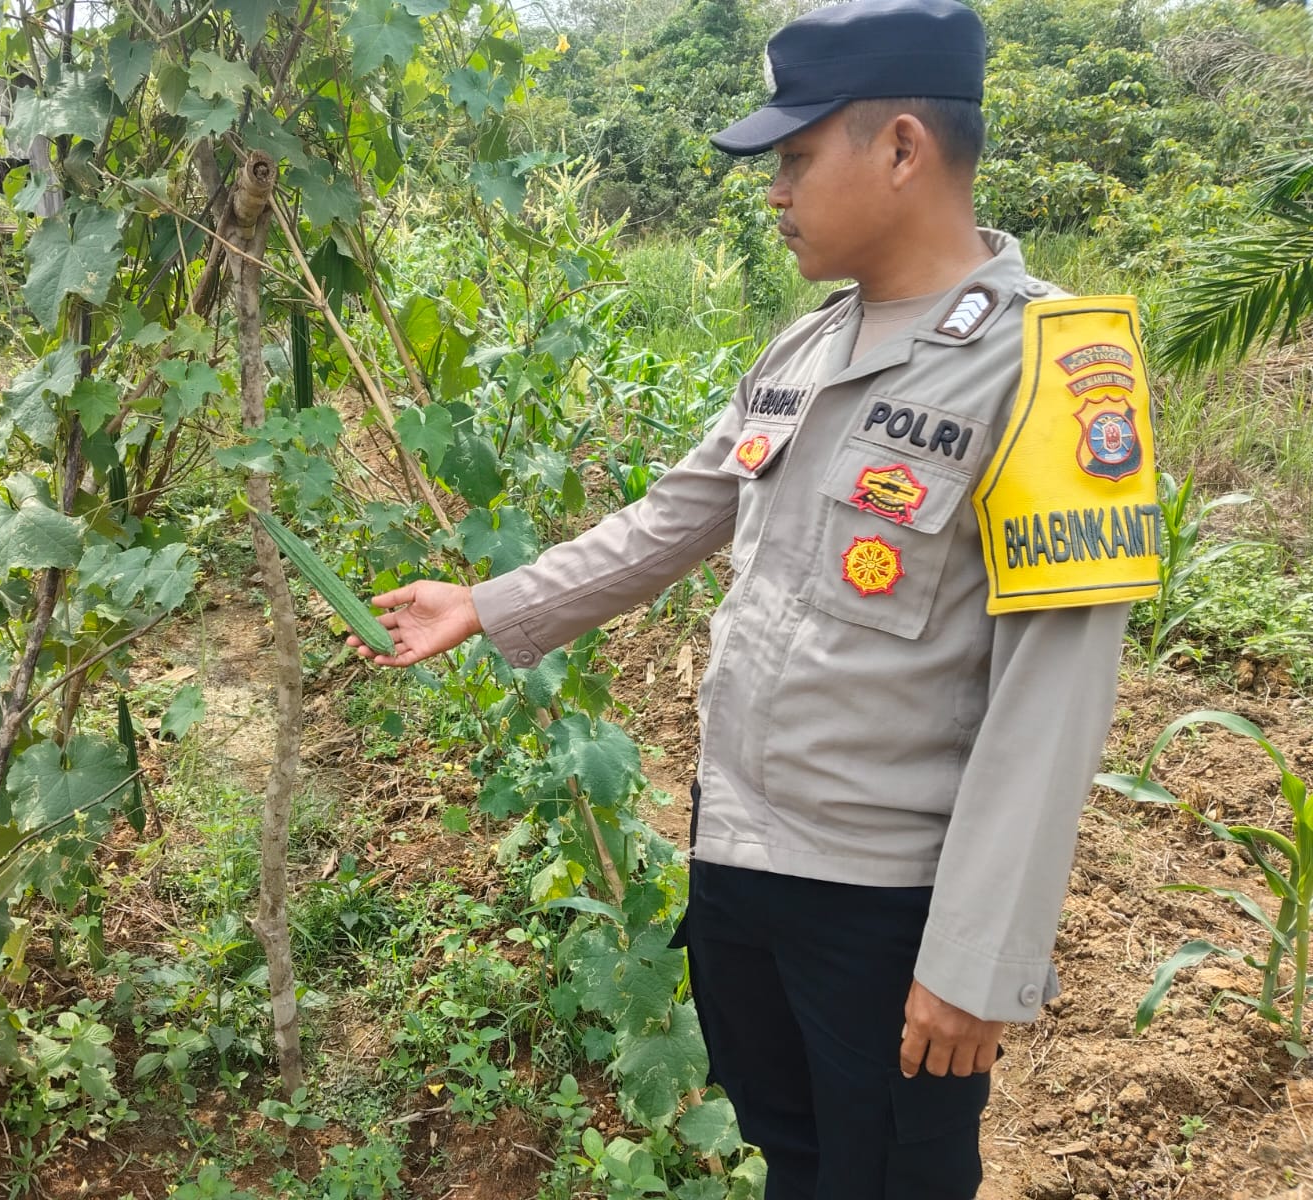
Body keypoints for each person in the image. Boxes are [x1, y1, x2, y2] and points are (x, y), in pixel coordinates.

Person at [347, 0, 1161, 1194]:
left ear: (898, 147)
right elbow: (676, 514)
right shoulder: (802, 351)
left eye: (792, 157)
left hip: (884, 906)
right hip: (739, 864)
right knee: (794, 1162)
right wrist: (488, 600)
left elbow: (1054, 691)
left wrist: (976, 961)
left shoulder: (1050, 365)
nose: (771, 191)